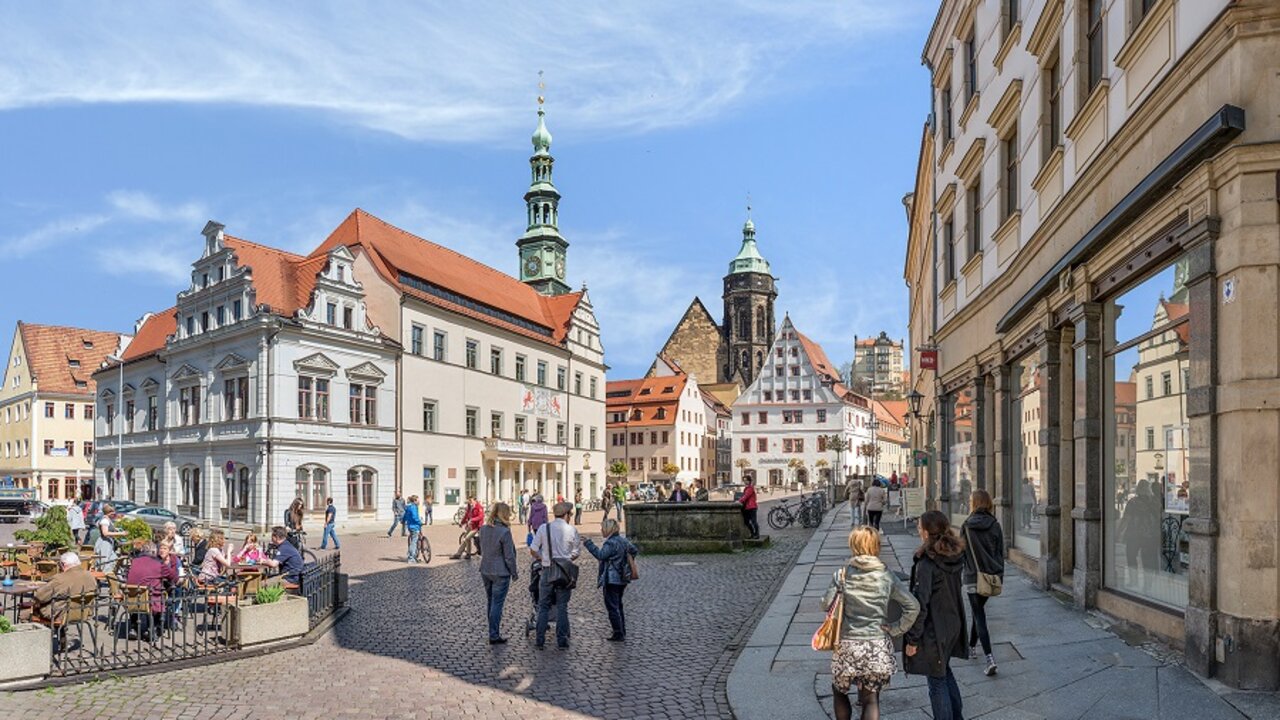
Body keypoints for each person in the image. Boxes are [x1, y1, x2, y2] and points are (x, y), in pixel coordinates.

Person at [822, 526, 920, 720]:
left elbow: (825, 604)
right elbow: (913, 606)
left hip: (848, 644)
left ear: (853, 546)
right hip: (876, 645)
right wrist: (896, 628)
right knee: (871, 698)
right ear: (876, 546)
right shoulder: (887, 576)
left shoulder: (842, 575)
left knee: (839, 690)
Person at [903, 510, 968, 720]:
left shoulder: (927, 564)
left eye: (919, 526)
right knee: (944, 671)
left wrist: (912, 639)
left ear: (926, 532)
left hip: (934, 629)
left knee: (936, 682)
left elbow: (921, 605)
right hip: (952, 623)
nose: (917, 528)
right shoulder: (953, 555)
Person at [962, 490, 1004, 676]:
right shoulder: (995, 524)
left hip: (972, 576)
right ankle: (971, 647)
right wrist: (999, 574)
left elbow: (961, 552)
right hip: (990, 577)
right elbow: (1000, 553)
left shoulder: (967, 525)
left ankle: (989, 658)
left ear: (974, 503)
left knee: (979, 616)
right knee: (977, 612)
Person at [529, 501, 581, 649]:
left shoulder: (544, 528)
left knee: (543, 606)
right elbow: (576, 552)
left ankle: (539, 640)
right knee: (562, 606)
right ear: (566, 515)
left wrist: (542, 558)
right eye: (570, 514)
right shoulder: (572, 530)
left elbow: (533, 549)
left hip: (546, 570)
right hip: (564, 572)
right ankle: (562, 641)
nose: (570, 516)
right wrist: (565, 560)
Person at [582, 518, 639, 642]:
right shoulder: (623, 541)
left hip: (612, 579)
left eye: (602, 528)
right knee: (618, 605)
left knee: (612, 607)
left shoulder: (610, 543)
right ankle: (622, 629)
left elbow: (601, 555)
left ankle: (618, 633)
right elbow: (634, 550)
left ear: (608, 529)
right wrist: (625, 562)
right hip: (623, 578)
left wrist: (589, 544)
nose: (601, 530)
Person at [478, 502, 519, 644]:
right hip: (500, 572)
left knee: (490, 601)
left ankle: (492, 631)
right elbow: (509, 556)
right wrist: (514, 572)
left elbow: (481, 549)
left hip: (485, 569)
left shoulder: (483, 529)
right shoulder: (505, 532)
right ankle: (494, 634)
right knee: (497, 603)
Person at [126, 541, 178, 639]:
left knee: (140, 592)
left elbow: (127, 576)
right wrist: (174, 562)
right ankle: (153, 628)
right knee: (162, 594)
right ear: (154, 552)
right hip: (151, 599)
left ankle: (134, 627)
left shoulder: (134, 562)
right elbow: (174, 577)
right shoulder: (158, 564)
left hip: (131, 598)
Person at [31, 551, 98, 625]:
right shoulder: (90, 576)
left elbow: (39, 596)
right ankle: (61, 634)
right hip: (84, 613)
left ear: (63, 564)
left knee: (28, 610)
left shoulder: (60, 579)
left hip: (61, 614)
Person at [94, 503, 127, 573]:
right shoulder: (104, 520)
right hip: (104, 543)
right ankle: (105, 577)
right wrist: (121, 534)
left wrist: (116, 529)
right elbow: (105, 533)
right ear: (108, 513)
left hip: (108, 543)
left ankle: (113, 575)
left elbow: (109, 529)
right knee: (105, 561)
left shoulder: (107, 519)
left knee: (113, 559)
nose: (114, 513)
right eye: (112, 512)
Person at [404, 495, 424, 563]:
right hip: (414, 526)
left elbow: (405, 516)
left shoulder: (408, 507)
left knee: (414, 541)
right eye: (418, 500)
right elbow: (415, 517)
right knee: (414, 543)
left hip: (410, 526)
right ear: (415, 501)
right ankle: (411, 558)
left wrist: (403, 521)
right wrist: (420, 522)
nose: (419, 501)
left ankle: (414, 556)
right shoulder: (413, 507)